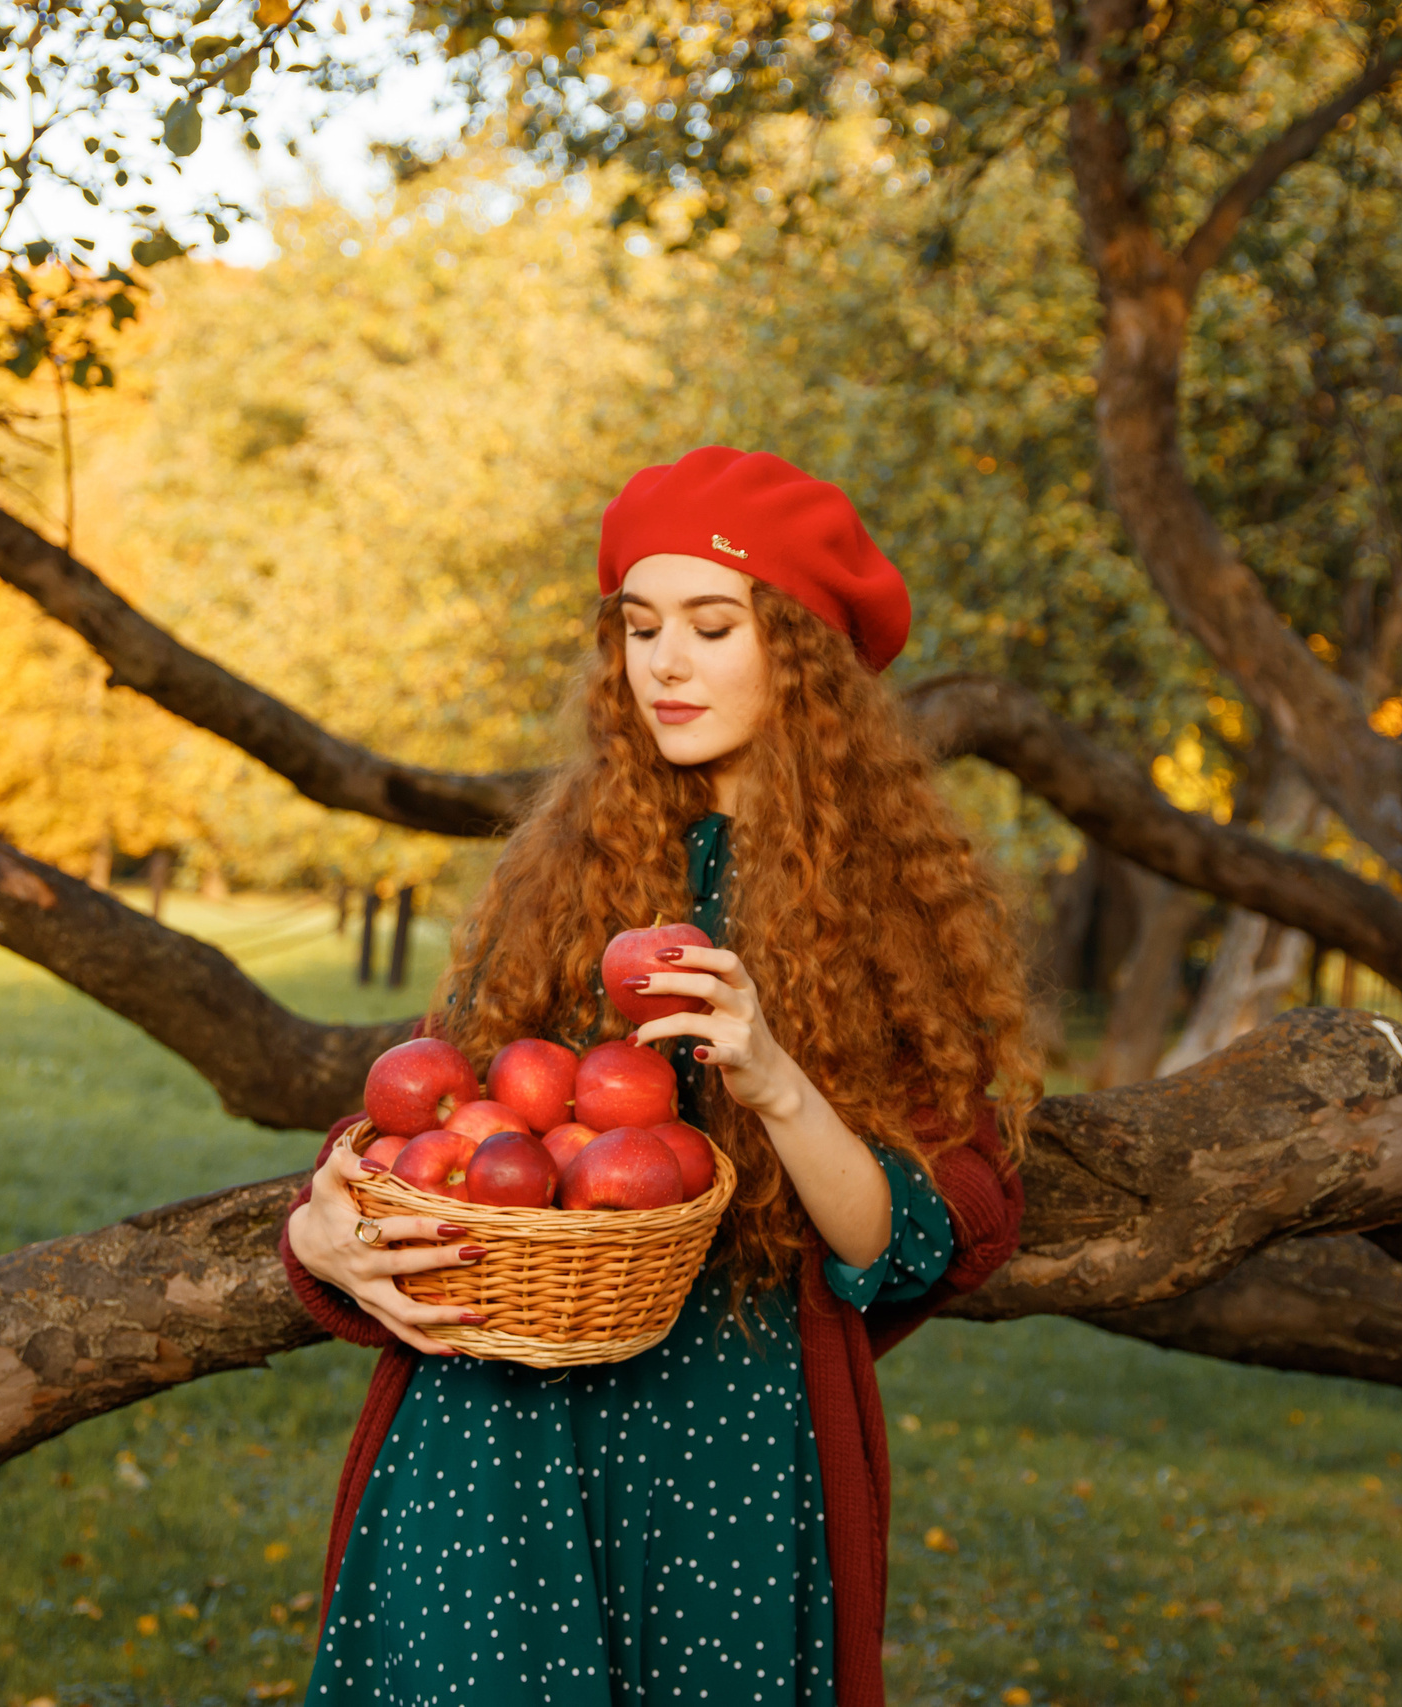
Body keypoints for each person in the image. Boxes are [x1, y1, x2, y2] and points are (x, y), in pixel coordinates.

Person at [280, 445, 1038, 1707]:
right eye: (639, 628)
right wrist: (324, 1226)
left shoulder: (895, 906)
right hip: (497, 1421)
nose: (664, 664)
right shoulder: (569, 862)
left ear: (794, 649)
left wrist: (775, 1078)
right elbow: (433, 1118)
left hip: (729, 1442)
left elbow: (906, 1244)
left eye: (710, 624)